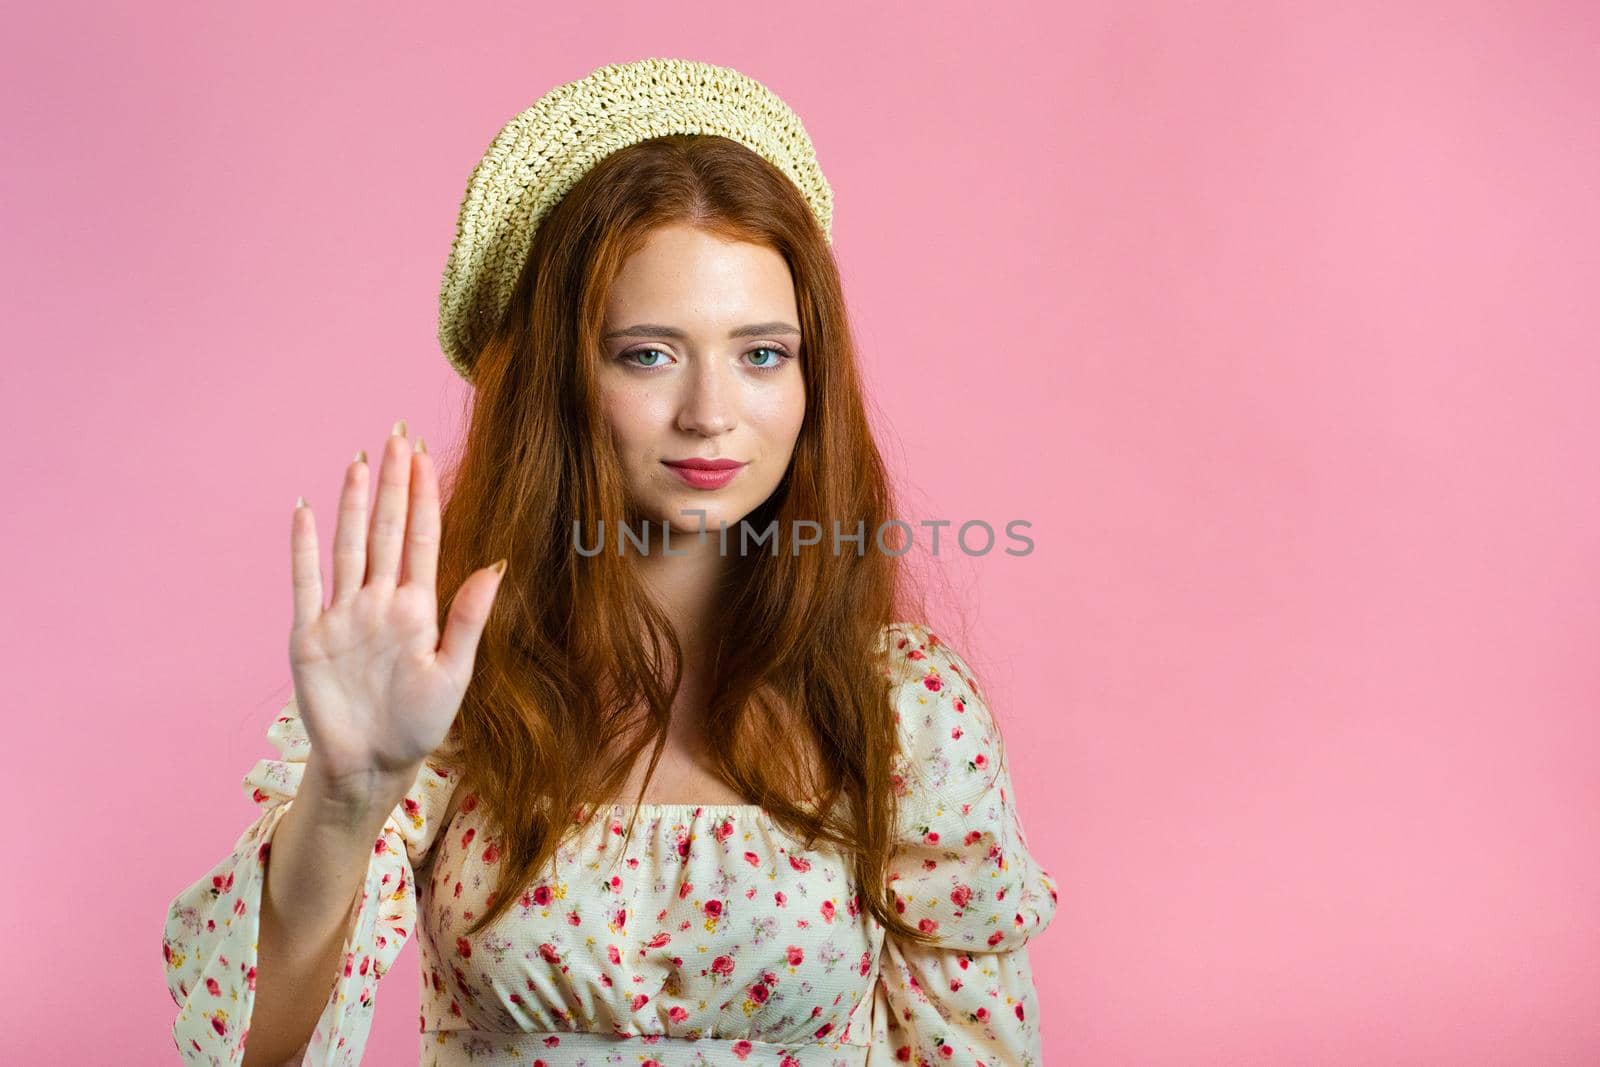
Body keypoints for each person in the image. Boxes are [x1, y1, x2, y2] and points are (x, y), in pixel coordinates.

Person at [161, 56, 1058, 1066]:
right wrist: (346, 792)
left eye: (762, 352)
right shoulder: (445, 682)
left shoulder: (906, 707)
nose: (710, 411)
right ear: (556, 377)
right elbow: (256, 1049)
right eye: (647, 352)